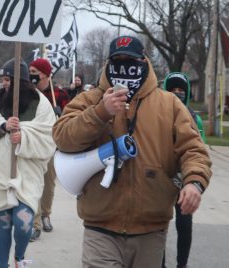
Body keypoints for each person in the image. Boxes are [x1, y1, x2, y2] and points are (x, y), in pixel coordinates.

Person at [52, 35, 212, 268]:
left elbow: (194, 149)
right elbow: (63, 137)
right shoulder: (89, 99)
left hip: (150, 228)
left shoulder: (169, 104)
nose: (124, 68)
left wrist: (193, 182)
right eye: (118, 61)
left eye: (131, 62)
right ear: (108, 64)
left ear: (144, 62)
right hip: (101, 226)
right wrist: (100, 112)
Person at [0, 58, 56, 268]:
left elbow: (48, 137)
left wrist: (24, 136)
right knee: (3, 223)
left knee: (23, 222)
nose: (5, 84)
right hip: (0, 173)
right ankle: (3, 265)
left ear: (21, 81)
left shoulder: (41, 104)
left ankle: (19, 257)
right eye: (2, 79)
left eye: (9, 80)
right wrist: (2, 126)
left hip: (27, 174)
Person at [162, 72, 206, 268]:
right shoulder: (158, 114)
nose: (177, 94)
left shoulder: (194, 118)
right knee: (158, 226)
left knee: (184, 224)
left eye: (181, 91)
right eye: (173, 90)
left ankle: (182, 264)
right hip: (161, 178)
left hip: (183, 179)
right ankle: (158, 263)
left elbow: (199, 148)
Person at [27, 58, 70, 242]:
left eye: (34, 71)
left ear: (45, 74)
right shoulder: (28, 94)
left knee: (48, 183)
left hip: (52, 146)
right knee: (34, 183)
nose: (31, 75)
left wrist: (61, 113)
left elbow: (70, 117)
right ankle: (34, 223)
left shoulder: (58, 94)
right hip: (34, 144)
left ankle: (45, 214)